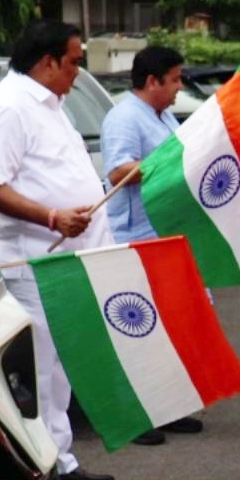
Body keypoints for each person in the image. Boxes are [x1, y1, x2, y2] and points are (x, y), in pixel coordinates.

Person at [0, 19, 117, 480]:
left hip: (62, 259)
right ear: (47, 63)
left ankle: (61, 461)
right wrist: (52, 215)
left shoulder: (48, 104)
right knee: (37, 371)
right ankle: (37, 478)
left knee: (58, 366)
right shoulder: (7, 109)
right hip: (29, 259)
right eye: (75, 62)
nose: (78, 73)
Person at [100, 45, 204, 446]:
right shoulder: (125, 117)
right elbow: (118, 170)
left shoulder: (164, 116)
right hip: (136, 237)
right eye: (175, 79)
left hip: (166, 234)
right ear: (151, 81)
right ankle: (135, 415)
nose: (179, 87)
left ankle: (166, 408)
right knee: (138, 329)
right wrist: (173, 168)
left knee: (170, 326)